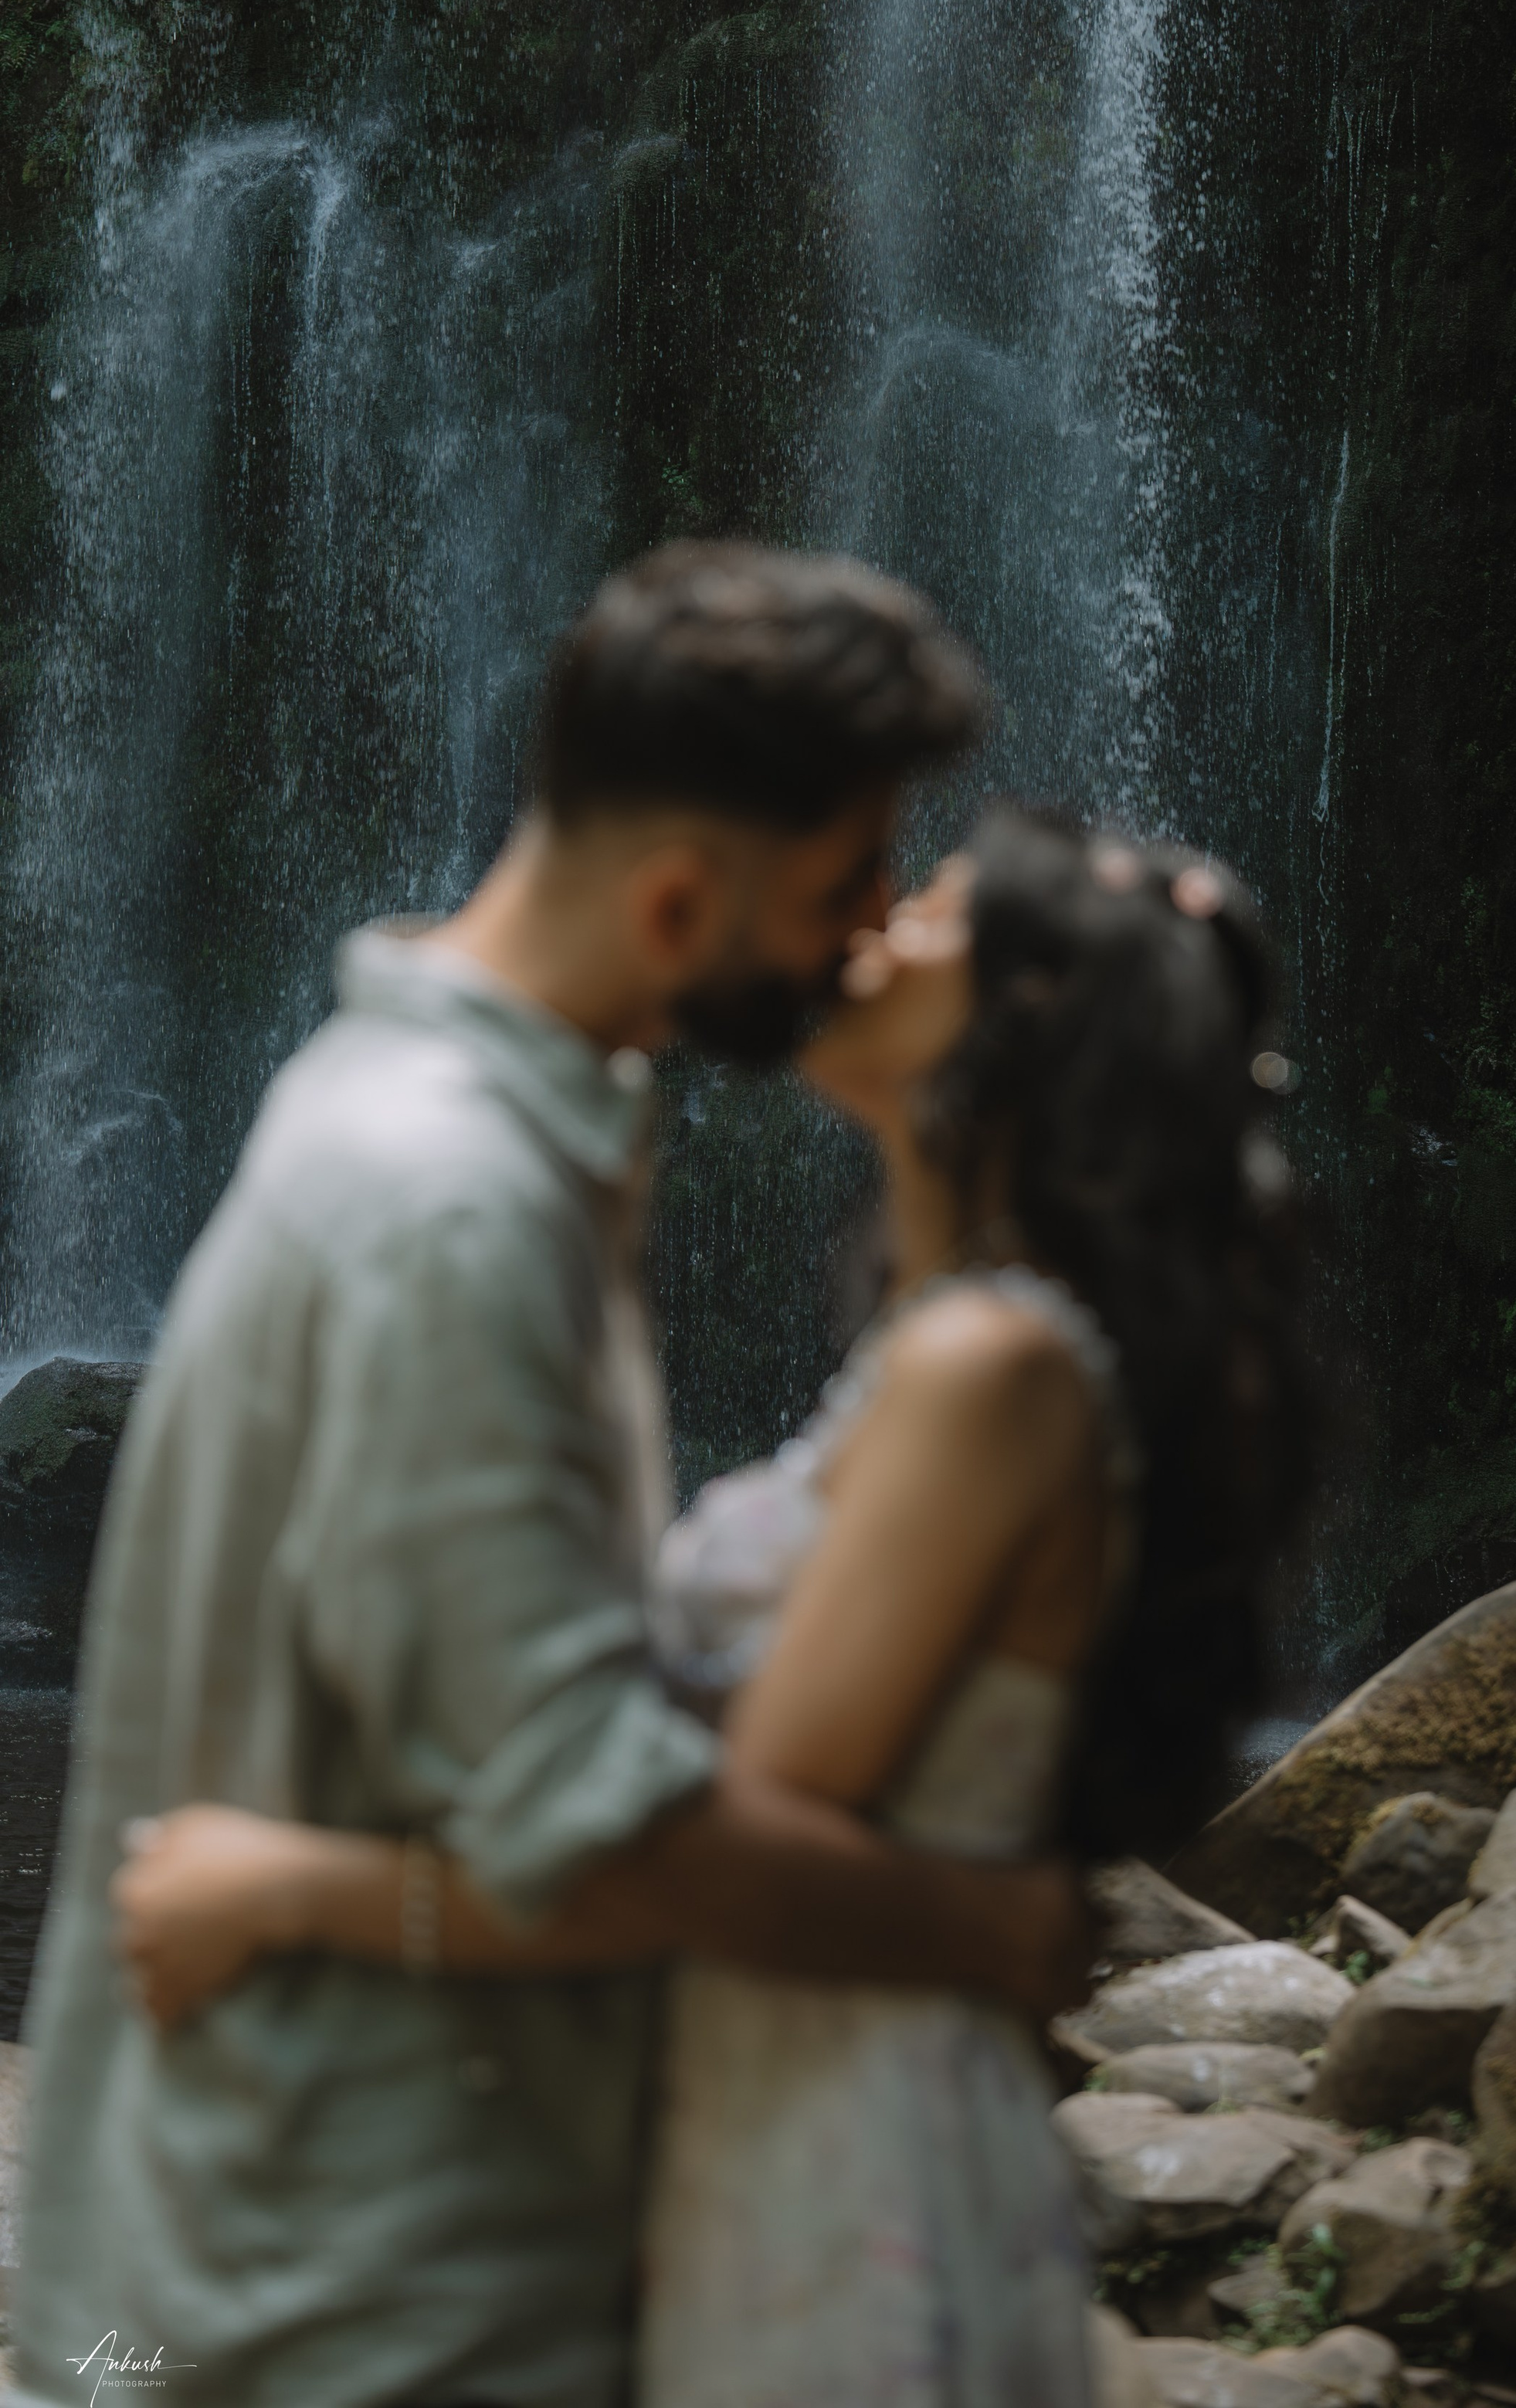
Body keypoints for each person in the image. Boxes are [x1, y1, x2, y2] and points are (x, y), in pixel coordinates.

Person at [14, 544, 1097, 2408]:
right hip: (364, 2285)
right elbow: (592, 1817)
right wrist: (992, 1927)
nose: (872, 936)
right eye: (847, 883)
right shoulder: (455, 1211)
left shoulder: (419, 1122)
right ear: (680, 897)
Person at [114, 805, 1317, 2408]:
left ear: (1026, 1018)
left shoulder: (990, 1369)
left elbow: (716, 1851)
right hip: (777, 2123)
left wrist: (289, 1891)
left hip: (843, 2170)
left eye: (934, 906)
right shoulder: (952, 1346)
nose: (869, 927)